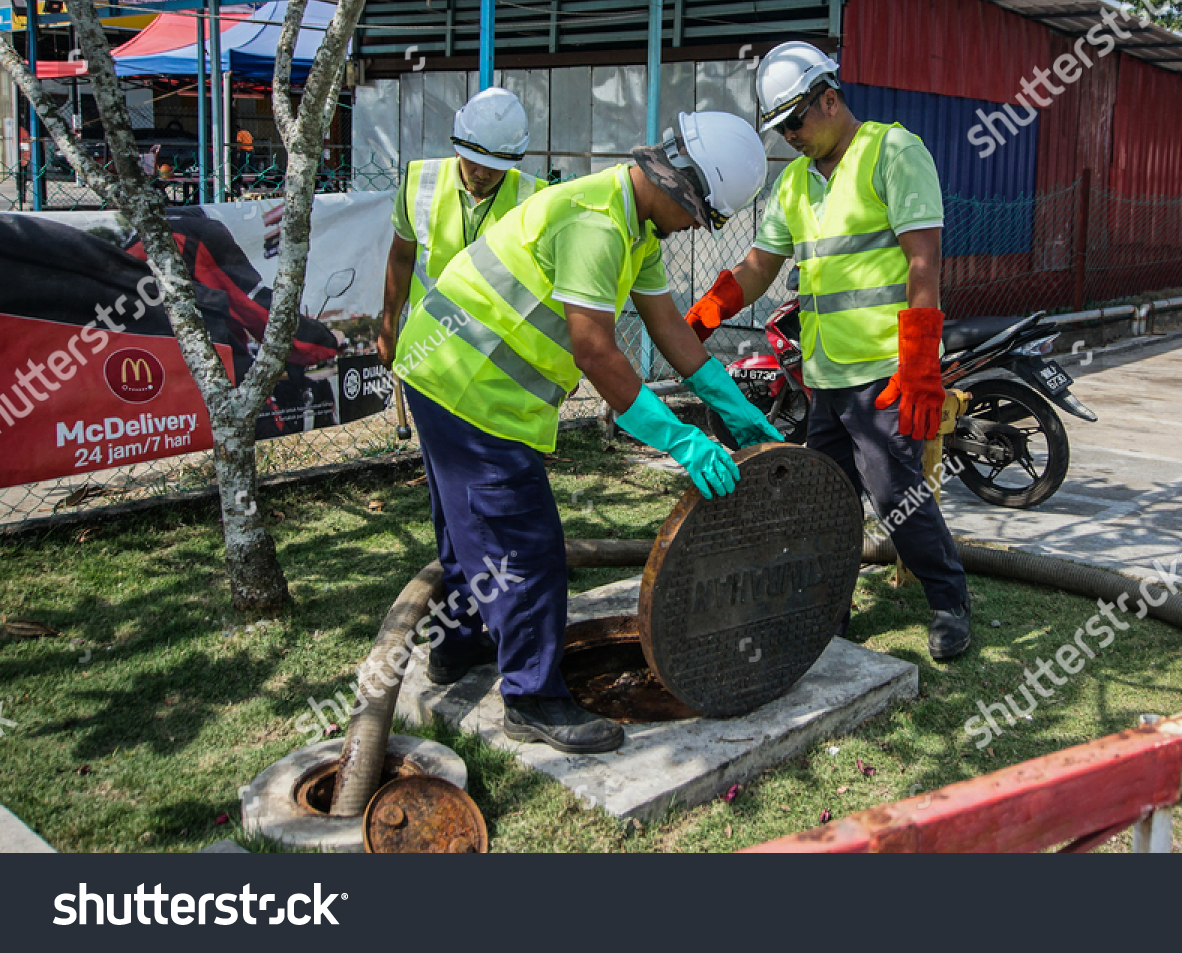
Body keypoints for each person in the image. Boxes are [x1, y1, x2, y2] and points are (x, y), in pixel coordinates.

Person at [391, 110, 782, 754]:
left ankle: (455, 650)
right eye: (699, 215)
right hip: (466, 388)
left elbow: (671, 331)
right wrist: (680, 440)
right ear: (677, 184)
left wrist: (732, 405)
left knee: (469, 534)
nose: (693, 230)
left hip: (447, 374)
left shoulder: (634, 228)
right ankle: (535, 697)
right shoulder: (597, 223)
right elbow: (596, 350)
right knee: (525, 549)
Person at [685, 42, 972, 661]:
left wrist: (921, 363)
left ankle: (950, 601)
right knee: (825, 502)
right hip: (826, 379)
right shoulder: (794, 184)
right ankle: (829, 607)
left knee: (897, 496)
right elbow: (761, 266)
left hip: (886, 376)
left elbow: (924, 260)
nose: (789, 136)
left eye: (795, 121)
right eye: (780, 128)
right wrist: (711, 308)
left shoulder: (894, 153)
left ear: (830, 99)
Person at [377, 87, 540, 368]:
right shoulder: (419, 184)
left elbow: (544, 288)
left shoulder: (534, 199)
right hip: (428, 350)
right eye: (475, 160)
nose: (483, 173)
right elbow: (401, 259)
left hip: (498, 358)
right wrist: (388, 329)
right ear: (457, 145)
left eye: (496, 165)